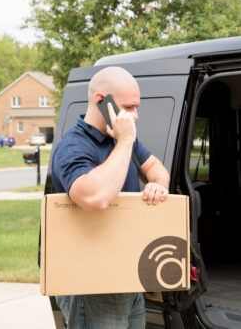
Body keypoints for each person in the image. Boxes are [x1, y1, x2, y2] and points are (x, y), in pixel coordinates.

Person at [51, 66, 170, 328]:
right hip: (92, 284)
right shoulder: (73, 146)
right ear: (101, 102)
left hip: (126, 276)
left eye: (136, 107)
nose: (135, 116)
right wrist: (125, 142)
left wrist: (157, 185)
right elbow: (96, 198)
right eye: (128, 108)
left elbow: (157, 170)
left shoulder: (120, 138)